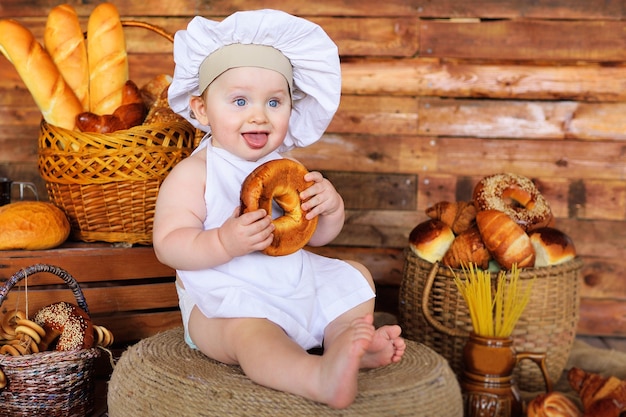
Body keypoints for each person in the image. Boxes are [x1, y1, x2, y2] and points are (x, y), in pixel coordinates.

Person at [152, 9, 406, 409]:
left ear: (293, 106)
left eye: (274, 101)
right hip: (224, 301)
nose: (259, 115)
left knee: (355, 278)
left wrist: (331, 208)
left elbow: (313, 236)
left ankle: (345, 345)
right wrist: (224, 240)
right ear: (201, 110)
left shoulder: (288, 171)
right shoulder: (195, 173)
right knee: (252, 336)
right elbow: (168, 244)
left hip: (290, 280)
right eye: (239, 100)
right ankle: (315, 375)